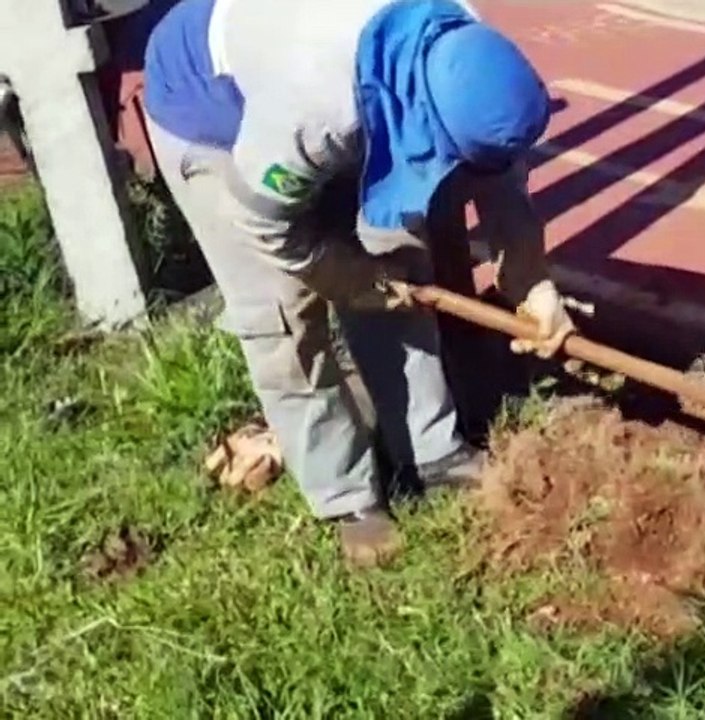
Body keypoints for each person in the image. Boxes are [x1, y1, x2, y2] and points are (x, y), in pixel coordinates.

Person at [141, 0, 575, 567]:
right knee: (285, 312)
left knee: (398, 258)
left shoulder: (469, 46)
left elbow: (498, 172)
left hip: (327, 94)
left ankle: (431, 453)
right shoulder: (316, 107)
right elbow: (266, 223)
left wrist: (532, 281)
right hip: (213, 114)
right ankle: (346, 497)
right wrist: (350, 280)